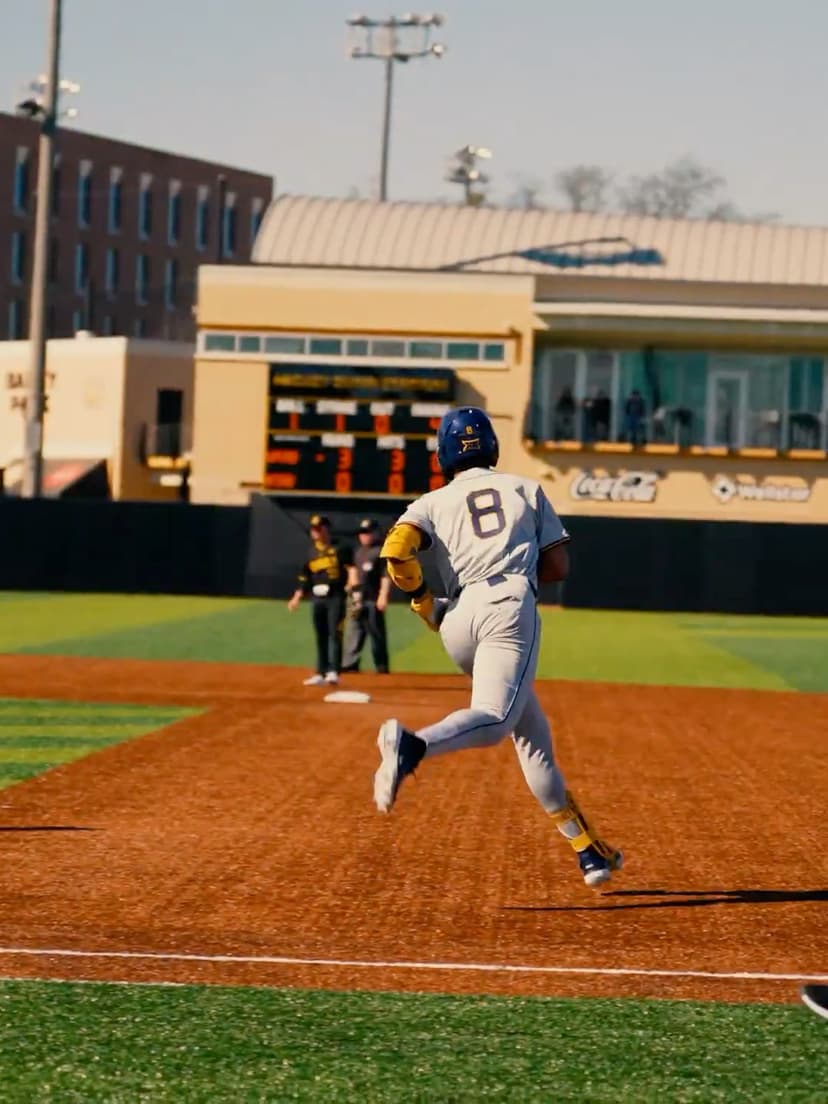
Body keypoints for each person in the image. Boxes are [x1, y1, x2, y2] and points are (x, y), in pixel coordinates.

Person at [372, 406, 622, 888]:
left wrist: (423, 599)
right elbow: (558, 567)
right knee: (494, 720)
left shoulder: (430, 501)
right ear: (491, 445)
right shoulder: (524, 488)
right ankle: (412, 746)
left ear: (444, 453)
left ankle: (590, 852)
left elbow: (397, 552)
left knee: (531, 736)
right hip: (507, 606)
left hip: (457, 619)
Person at [287, 514, 351, 687]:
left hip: (335, 596)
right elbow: (305, 577)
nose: (315, 532)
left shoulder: (340, 548)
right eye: (313, 529)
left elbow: (351, 569)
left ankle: (334, 671)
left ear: (326, 529)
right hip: (317, 598)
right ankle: (320, 672)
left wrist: (352, 587)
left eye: (318, 528)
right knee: (321, 634)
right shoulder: (311, 552)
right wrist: (296, 598)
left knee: (334, 633)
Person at [342, 518, 391, 674]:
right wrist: (350, 589)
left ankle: (381, 665)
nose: (364, 536)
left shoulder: (380, 552)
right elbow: (353, 572)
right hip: (357, 598)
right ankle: (350, 663)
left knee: (376, 633)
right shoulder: (358, 552)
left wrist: (383, 596)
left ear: (376, 533)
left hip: (372, 598)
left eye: (368, 533)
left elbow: (385, 576)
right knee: (353, 630)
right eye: (362, 533)